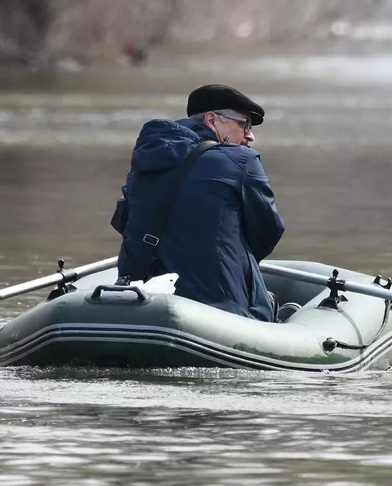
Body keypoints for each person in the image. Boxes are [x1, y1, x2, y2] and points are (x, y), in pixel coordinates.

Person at [110, 83, 285, 321]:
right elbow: (267, 232)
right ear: (212, 120)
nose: (250, 134)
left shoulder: (146, 155)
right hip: (217, 305)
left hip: (138, 301)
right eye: (244, 123)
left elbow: (123, 220)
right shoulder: (242, 161)